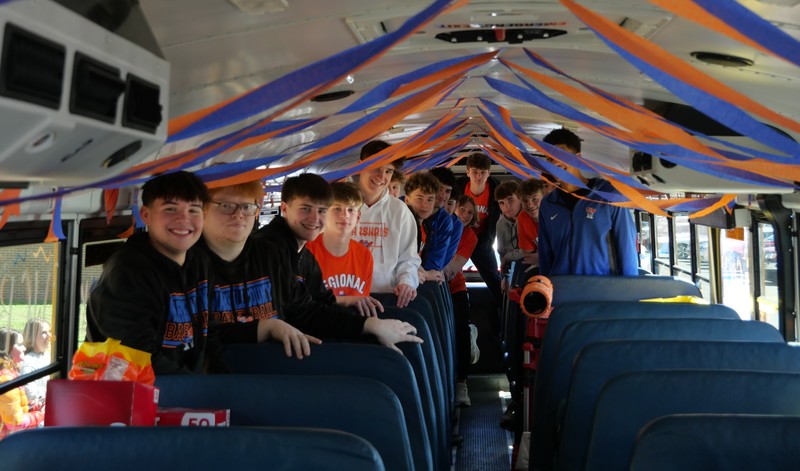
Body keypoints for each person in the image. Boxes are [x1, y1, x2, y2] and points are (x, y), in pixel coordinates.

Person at [208, 178, 420, 354]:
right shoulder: (272, 248)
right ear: (284, 209)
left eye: (321, 211)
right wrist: (266, 328)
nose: (314, 218)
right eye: (305, 209)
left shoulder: (298, 256)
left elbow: (311, 307)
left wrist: (368, 323)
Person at [87, 171, 224, 375]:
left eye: (194, 210)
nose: (183, 219)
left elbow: (210, 333)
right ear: (146, 216)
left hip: (186, 390)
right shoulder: (127, 274)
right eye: (170, 209)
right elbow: (140, 360)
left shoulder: (200, 262)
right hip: (132, 394)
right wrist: (202, 392)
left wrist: (224, 381)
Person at [538, 128, 638, 276]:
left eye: (561, 155)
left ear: (578, 158)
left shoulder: (609, 195)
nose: (555, 162)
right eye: (550, 158)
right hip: (562, 292)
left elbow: (627, 250)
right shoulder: (548, 205)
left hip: (600, 293)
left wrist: (628, 294)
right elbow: (545, 258)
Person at [353, 140, 420, 308]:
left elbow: (409, 259)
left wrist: (406, 282)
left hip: (387, 298)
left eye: (388, 171)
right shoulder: (339, 205)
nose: (382, 177)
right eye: (376, 168)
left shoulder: (400, 211)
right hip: (345, 297)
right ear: (361, 165)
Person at [306, 182, 384, 317]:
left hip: (353, 326)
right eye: (337, 209)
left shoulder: (364, 255)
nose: (345, 215)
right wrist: (347, 300)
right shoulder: (307, 252)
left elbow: (362, 305)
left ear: (358, 217)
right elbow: (303, 304)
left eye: (351, 210)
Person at [443, 195, 481, 407]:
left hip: (455, 287)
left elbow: (454, 267)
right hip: (429, 287)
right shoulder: (438, 226)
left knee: (460, 334)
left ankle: (461, 384)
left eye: (470, 212)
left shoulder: (470, 237)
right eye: (462, 210)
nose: (465, 215)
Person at [455, 152, 502, 308]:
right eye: (475, 172)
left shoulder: (495, 190)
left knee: (495, 281)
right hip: (459, 239)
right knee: (448, 275)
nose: (478, 176)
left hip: (483, 241)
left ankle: (502, 315)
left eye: (483, 172)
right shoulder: (459, 189)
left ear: (488, 173)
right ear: (468, 172)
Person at [1, 328, 44, 440]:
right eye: (20, 344)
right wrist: (41, 415)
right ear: (7, 350)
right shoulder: (6, 379)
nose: (24, 348)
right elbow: (15, 423)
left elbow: (12, 409)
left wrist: (32, 407)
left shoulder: (10, 373)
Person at [404, 171, 445, 283]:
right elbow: (402, 261)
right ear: (407, 200)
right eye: (419, 199)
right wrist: (426, 275)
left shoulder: (426, 227)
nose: (425, 205)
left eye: (430, 199)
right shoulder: (404, 225)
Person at [429, 167, 462, 274]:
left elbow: (440, 260)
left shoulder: (448, 221)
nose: (443, 195)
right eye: (439, 189)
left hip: (429, 274)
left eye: (447, 191)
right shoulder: (407, 209)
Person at [495, 180, 523, 290]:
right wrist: (505, 278)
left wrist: (508, 257)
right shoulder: (500, 224)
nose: (506, 206)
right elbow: (502, 254)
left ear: (520, 198)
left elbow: (531, 251)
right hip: (511, 272)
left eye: (510, 200)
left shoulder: (532, 218)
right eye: (501, 203)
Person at [20, 318, 51, 410]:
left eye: (49, 331)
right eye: (44, 333)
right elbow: (30, 394)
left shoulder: (48, 355)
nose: (49, 335)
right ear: (32, 337)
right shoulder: (28, 361)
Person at [516, 179, 546, 272]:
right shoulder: (523, 217)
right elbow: (527, 254)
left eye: (535, 199)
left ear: (544, 197)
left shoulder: (556, 215)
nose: (530, 204)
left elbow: (567, 252)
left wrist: (542, 259)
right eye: (525, 201)